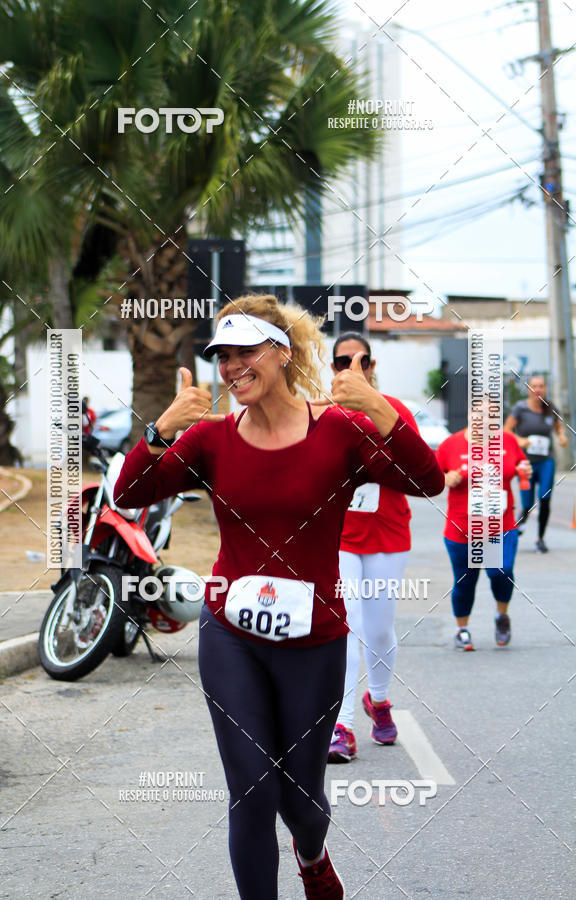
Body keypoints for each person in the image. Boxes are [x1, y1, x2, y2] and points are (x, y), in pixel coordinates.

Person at [114, 295, 444, 900]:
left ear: (282, 353)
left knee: (301, 802)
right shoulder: (211, 440)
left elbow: (424, 481)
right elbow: (132, 492)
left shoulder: (340, 432)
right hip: (231, 635)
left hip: (314, 641)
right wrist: (162, 428)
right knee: (251, 793)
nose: (233, 365)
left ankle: (313, 854)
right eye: (223, 355)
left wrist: (380, 410)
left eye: (246, 351)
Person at [326, 333, 419, 763]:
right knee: (348, 625)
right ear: (332, 368)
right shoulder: (326, 414)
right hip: (338, 537)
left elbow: (419, 468)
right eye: (341, 361)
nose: (349, 367)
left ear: (372, 364)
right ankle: (340, 726)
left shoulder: (393, 410)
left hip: (387, 533)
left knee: (379, 628)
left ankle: (378, 700)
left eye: (358, 360)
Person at [436, 409, 531, 651]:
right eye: (478, 414)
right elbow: (432, 477)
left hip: (501, 526)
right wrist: (446, 478)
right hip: (462, 529)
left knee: (501, 571)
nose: (483, 420)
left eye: (490, 415)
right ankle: (463, 630)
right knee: (465, 581)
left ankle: (502, 616)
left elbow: (521, 463)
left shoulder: (507, 440)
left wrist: (525, 469)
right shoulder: (450, 445)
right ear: (469, 416)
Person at [504, 374, 568, 553]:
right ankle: (519, 525)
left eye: (541, 386)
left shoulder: (550, 407)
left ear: (545, 389)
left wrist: (562, 436)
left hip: (546, 460)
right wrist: (521, 440)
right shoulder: (520, 408)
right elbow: (507, 430)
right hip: (526, 463)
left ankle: (540, 538)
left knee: (545, 499)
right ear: (528, 389)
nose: (537, 389)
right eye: (534, 386)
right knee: (527, 503)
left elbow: (558, 427)